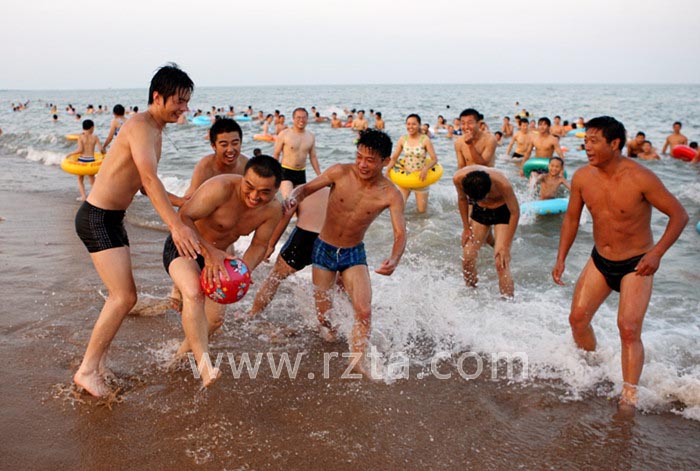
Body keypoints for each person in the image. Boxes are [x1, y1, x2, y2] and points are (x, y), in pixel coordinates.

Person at [73, 64, 200, 398]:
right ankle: (87, 370)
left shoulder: (156, 131)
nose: (184, 108)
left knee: (123, 296)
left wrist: (180, 201)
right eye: (179, 101)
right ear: (157, 96)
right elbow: (148, 179)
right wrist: (175, 225)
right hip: (98, 218)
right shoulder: (140, 126)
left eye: (187, 102)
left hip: (112, 219)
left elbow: (143, 186)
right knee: (124, 297)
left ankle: (96, 364)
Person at [552, 116, 688, 408]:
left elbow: (679, 215)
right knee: (577, 319)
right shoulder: (582, 177)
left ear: (614, 144)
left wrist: (656, 253)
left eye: (594, 141)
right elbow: (572, 219)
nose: (587, 147)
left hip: (637, 264)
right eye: (586, 141)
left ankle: (629, 395)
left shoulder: (641, 178)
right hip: (600, 259)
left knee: (628, 328)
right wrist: (561, 257)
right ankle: (592, 369)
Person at [284, 129, 406, 375]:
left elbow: (400, 233)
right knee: (324, 318)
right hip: (323, 249)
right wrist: (293, 197)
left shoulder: (390, 194)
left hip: (353, 253)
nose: (362, 164)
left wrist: (394, 259)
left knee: (364, 310)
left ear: (385, 161)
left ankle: (357, 362)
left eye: (370, 160)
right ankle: (336, 329)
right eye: (359, 156)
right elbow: (305, 189)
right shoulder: (339, 172)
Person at [164, 155, 283, 389]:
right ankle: (205, 367)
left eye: (264, 192)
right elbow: (184, 216)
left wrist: (242, 272)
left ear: (276, 190)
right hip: (186, 246)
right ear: (243, 177)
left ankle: (179, 357)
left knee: (215, 320)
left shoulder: (273, 210)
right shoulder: (220, 188)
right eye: (249, 186)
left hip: (221, 259)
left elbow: (259, 245)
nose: (254, 196)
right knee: (194, 292)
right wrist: (209, 253)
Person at [241, 186, 331, 319]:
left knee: (275, 277)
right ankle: (332, 322)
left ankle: (253, 313)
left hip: (304, 238)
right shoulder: (342, 196)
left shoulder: (303, 190)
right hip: (331, 240)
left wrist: (271, 245)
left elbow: (286, 214)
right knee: (329, 287)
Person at [454, 166, 519, 297]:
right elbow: (462, 199)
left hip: (503, 212)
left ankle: (508, 303)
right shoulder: (458, 179)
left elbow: (515, 212)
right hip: (480, 212)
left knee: (501, 261)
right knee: (467, 257)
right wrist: (466, 228)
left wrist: (506, 246)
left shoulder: (503, 184)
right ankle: (471, 294)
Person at [385, 114, 439, 213]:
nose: (410, 126)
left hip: (421, 178)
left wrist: (426, 169)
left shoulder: (425, 140)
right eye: (408, 124)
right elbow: (394, 158)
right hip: (406, 177)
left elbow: (434, 159)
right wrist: (387, 171)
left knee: (421, 213)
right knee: (398, 209)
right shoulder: (403, 139)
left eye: (414, 124)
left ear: (419, 125)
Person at [273, 107, 321, 198]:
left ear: (307, 119)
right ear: (293, 118)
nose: (301, 120)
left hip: (301, 173)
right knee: (288, 199)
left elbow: (313, 157)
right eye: (298, 117)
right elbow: (276, 153)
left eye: (304, 117)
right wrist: (274, 173)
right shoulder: (284, 134)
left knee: (301, 202)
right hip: (286, 171)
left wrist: (319, 175)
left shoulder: (310, 136)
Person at [68, 119, 105, 201]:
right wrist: (104, 154)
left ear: (83, 128)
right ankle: (96, 197)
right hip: (91, 160)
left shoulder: (80, 137)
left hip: (82, 160)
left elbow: (80, 150)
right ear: (92, 127)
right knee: (92, 179)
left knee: (80, 179)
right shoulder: (95, 137)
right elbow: (101, 149)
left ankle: (83, 197)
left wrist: (71, 153)